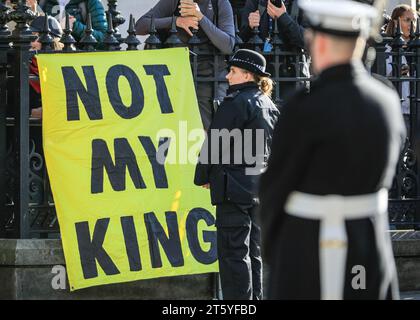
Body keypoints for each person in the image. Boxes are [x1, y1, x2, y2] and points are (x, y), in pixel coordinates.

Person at [259, 0, 406, 300]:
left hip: (306, 247)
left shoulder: (304, 108)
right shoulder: (387, 102)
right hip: (368, 247)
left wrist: (276, 250)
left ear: (320, 43)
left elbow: (274, 191)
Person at [194, 49, 280, 299]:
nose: (227, 76)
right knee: (253, 253)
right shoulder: (268, 103)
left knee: (233, 255)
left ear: (246, 75)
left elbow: (214, 144)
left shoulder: (236, 103)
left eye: (232, 71)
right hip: (258, 188)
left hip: (232, 188)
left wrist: (203, 176)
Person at [136, 0, 235, 130]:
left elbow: (227, 45)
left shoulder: (220, 3)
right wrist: (176, 21)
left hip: (210, 78)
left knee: (211, 132)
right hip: (175, 76)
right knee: (174, 130)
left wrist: (200, 17)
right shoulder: (174, 2)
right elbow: (139, 26)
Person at [240, 0, 310, 102]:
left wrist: (283, 17)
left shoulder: (302, 4)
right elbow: (239, 41)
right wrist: (249, 27)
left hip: (293, 75)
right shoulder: (255, 2)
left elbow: (308, 41)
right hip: (262, 76)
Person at [384, 5, 418, 132]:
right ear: (395, 22)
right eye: (407, 20)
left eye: (414, 20)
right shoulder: (385, 49)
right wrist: (394, 74)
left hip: (417, 110)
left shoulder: (416, 49)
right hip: (398, 112)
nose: (412, 24)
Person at [29, 15, 64, 119]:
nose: (31, 42)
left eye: (35, 36)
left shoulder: (64, 67)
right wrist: (32, 112)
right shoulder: (21, 64)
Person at [38, 0, 108, 43]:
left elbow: (105, 39)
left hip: (80, 60)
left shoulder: (91, 2)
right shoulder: (40, 2)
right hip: (47, 61)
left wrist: (75, 26)